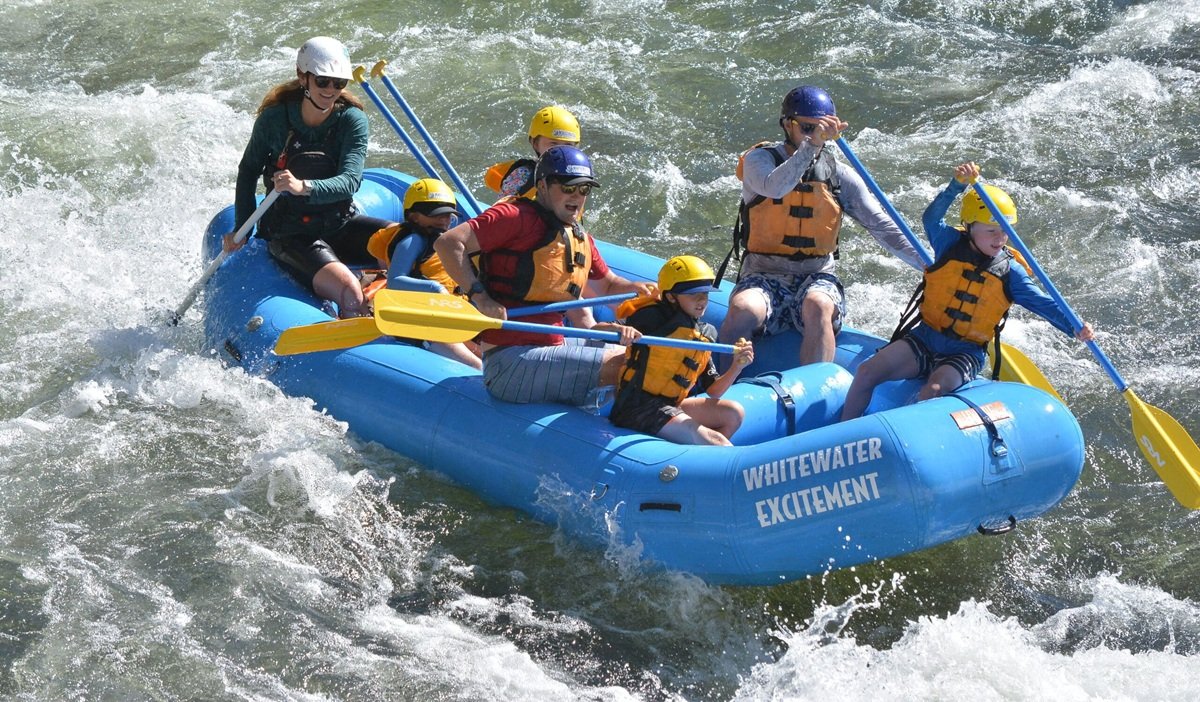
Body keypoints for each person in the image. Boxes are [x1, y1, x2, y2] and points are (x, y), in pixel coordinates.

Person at [839, 162, 1095, 420]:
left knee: (932, 391)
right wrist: (956, 186)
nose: (999, 238)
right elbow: (931, 219)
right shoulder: (948, 242)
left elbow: (1044, 303)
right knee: (867, 372)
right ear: (969, 227)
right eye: (991, 231)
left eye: (1005, 231)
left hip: (965, 352)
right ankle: (843, 429)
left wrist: (1073, 326)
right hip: (925, 338)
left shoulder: (1011, 272)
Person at [718, 85, 926, 366]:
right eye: (807, 128)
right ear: (787, 125)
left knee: (817, 305)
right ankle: (720, 383)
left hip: (816, 276)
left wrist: (929, 264)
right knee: (743, 309)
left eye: (821, 129)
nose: (815, 135)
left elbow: (881, 225)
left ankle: (816, 383)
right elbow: (775, 188)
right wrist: (811, 147)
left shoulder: (839, 174)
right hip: (763, 274)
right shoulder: (759, 160)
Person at [434, 145, 654, 405]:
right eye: (568, 187)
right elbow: (448, 243)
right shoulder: (514, 216)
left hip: (551, 349)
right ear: (542, 186)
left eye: (584, 189)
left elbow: (607, 286)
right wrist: (480, 297)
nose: (577, 195)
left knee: (642, 356)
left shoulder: (578, 237)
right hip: (511, 363)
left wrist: (641, 288)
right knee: (626, 364)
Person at [224, 36, 388, 319]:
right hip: (290, 233)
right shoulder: (274, 119)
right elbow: (248, 170)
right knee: (350, 291)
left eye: (339, 83)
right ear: (303, 77)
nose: (331, 90)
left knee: (405, 242)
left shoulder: (352, 120)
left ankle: (414, 322)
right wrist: (243, 227)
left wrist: (304, 186)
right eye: (323, 81)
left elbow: (350, 180)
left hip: (339, 223)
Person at [609, 256, 754, 446]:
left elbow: (714, 391)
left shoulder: (703, 334)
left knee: (734, 413)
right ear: (671, 297)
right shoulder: (651, 318)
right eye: (693, 294)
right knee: (717, 441)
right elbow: (596, 330)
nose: (702, 300)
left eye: (705, 293)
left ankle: (695, 458)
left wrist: (737, 367)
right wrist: (620, 329)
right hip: (637, 407)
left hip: (671, 405)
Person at [366, 177, 482, 369]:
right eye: (436, 215)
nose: (443, 220)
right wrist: (435, 288)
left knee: (484, 354)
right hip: (419, 319)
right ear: (414, 217)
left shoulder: (445, 241)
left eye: (447, 215)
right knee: (477, 366)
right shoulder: (413, 240)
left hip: (445, 313)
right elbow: (394, 281)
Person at [483, 106, 581, 201]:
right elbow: (501, 209)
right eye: (553, 144)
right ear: (535, 144)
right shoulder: (522, 175)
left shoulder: (578, 175)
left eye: (568, 145)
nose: (561, 151)